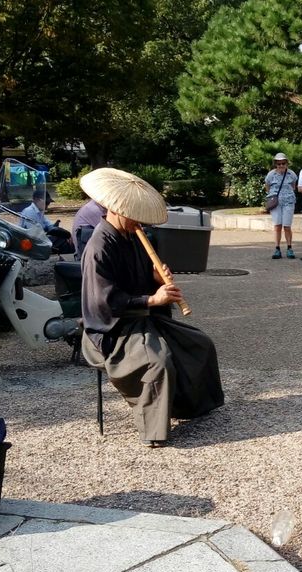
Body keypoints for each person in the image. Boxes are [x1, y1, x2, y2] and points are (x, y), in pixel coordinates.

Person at [79, 168, 224, 446]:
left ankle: (192, 406)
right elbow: (103, 300)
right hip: (112, 328)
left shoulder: (133, 236)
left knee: (199, 344)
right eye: (133, 215)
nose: (139, 222)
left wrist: (156, 279)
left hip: (142, 316)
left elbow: (143, 279)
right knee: (156, 363)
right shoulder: (99, 245)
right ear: (116, 209)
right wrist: (152, 300)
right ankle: (153, 432)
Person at [264, 153, 298, 259]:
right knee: (277, 225)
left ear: (286, 163)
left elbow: (293, 186)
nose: (281, 165)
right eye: (279, 164)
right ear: (276, 164)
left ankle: (289, 248)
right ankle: (277, 248)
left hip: (288, 202)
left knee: (287, 226)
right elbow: (267, 187)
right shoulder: (271, 175)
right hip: (276, 203)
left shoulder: (291, 174)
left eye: (283, 163)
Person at [20, 189, 74, 254]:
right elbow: (35, 235)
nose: (47, 206)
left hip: (38, 240)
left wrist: (62, 232)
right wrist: (65, 234)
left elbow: (49, 225)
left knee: (63, 239)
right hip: (32, 243)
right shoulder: (30, 212)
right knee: (62, 241)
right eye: (46, 203)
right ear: (37, 200)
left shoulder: (38, 212)